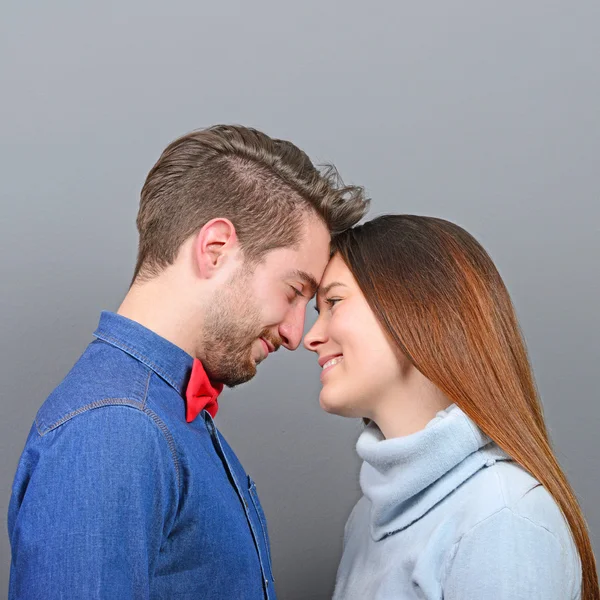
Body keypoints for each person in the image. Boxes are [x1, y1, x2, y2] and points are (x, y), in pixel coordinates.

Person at [8, 124, 369, 599]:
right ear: (215, 250)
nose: (294, 332)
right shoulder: (117, 429)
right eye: (293, 291)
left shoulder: (160, 413)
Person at [304, 214, 598, 600]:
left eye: (335, 302)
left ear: (414, 309)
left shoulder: (502, 516)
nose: (311, 337)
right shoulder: (364, 520)